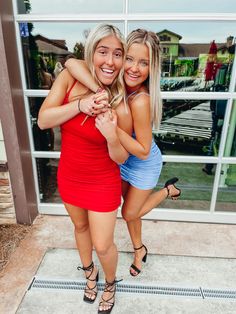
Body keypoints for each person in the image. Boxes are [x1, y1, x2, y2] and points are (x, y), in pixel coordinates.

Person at [65, 28, 181, 277]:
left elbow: (142, 150)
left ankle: (167, 190)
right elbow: (71, 62)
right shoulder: (117, 84)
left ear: (152, 68)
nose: (134, 68)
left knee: (129, 212)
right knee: (126, 209)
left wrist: (112, 128)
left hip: (143, 162)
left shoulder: (140, 100)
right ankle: (139, 248)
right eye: (129, 59)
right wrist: (98, 89)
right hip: (122, 157)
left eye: (144, 63)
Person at [38, 24, 131, 314]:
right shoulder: (68, 78)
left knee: (103, 244)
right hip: (70, 176)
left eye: (118, 54)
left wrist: (111, 136)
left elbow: (121, 159)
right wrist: (82, 105)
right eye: (103, 52)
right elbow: (43, 120)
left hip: (103, 181)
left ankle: (111, 282)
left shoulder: (121, 101)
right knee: (79, 227)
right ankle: (89, 274)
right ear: (92, 52)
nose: (110, 61)